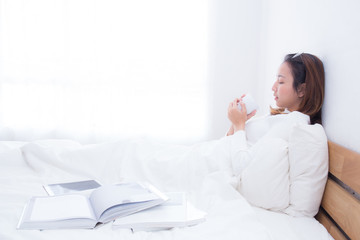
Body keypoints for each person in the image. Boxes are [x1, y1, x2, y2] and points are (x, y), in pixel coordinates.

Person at [225, 53, 325, 175]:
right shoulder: (283, 115)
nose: (273, 87)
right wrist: (237, 123)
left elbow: (241, 166)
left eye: (281, 81)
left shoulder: (294, 123)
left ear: (301, 90)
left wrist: (239, 124)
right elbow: (229, 145)